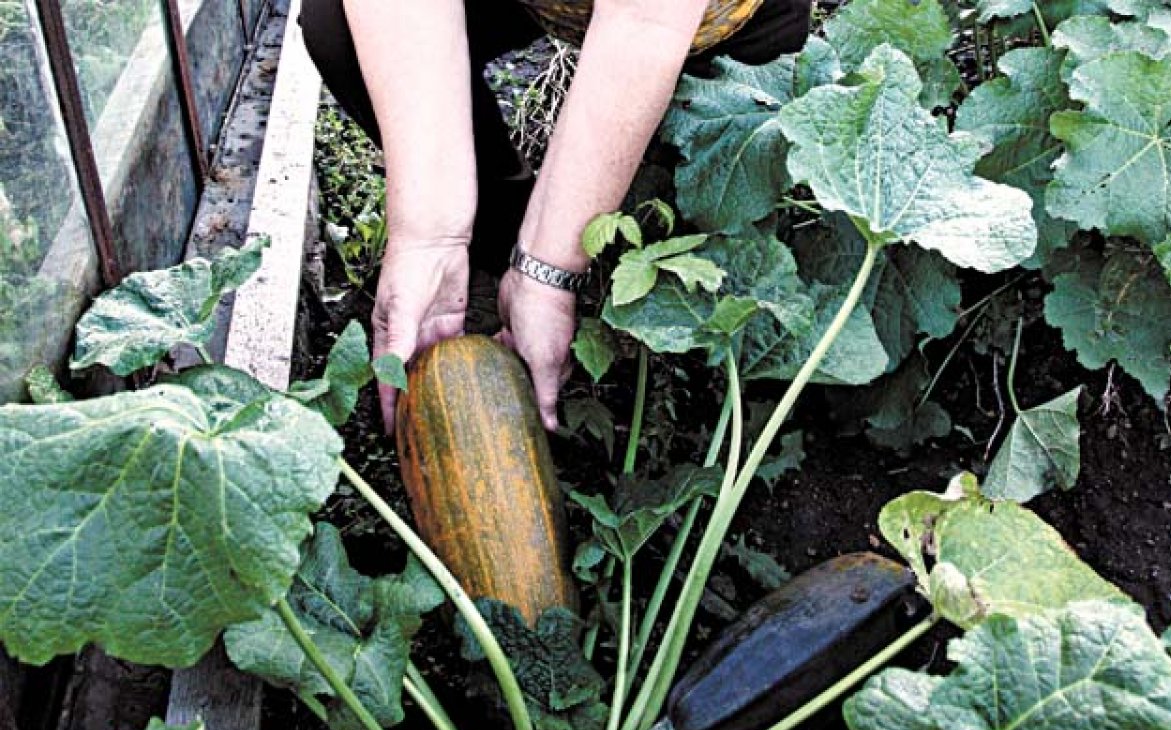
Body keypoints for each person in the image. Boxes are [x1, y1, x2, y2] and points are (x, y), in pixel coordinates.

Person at [300, 0, 812, 432]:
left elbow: (644, 20)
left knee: (693, 220)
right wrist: (429, 237)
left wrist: (548, 273)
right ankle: (498, 224)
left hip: (709, 18)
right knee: (335, 24)